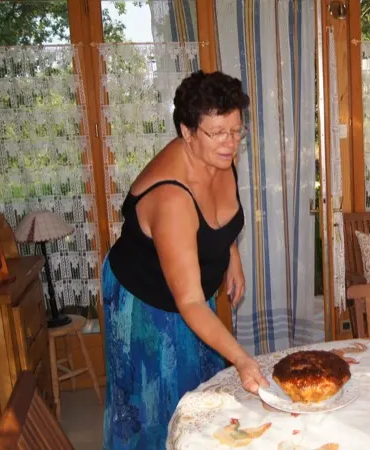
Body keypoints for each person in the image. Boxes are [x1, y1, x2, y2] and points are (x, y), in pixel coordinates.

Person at [101, 71, 269, 449]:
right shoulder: (172, 198)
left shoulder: (219, 157)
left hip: (187, 290)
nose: (230, 143)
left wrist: (232, 254)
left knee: (202, 393)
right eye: (217, 133)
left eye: (236, 130)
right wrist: (243, 360)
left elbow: (218, 218)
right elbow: (190, 301)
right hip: (146, 300)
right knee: (159, 410)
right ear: (187, 132)